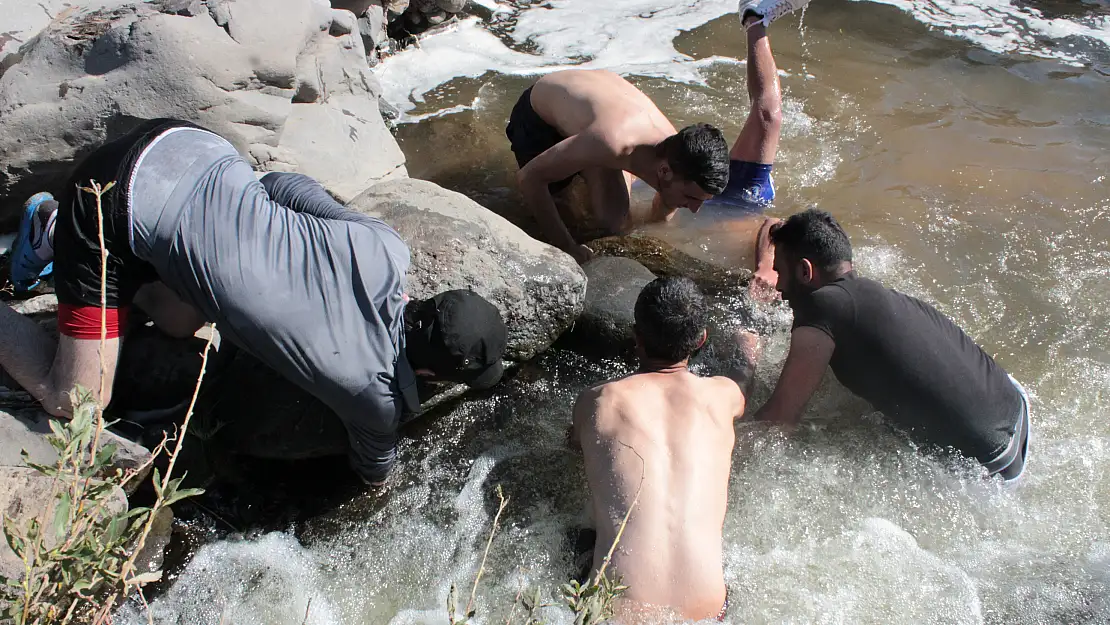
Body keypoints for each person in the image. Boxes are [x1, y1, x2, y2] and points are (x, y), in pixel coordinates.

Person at [3, 118, 508, 486]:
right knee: (78, 402)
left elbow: (283, 185)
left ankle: (50, 231)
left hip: (190, 144)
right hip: (108, 205)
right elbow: (375, 468)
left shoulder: (387, 249)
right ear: (432, 377)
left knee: (182, 322)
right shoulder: (375, 398)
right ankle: (61, 231)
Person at [750, 209, 1032, 482]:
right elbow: (771, 223)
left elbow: (778, 420)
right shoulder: (867, 295)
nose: (779, 289)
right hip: (1015, 410)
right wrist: (767, 265)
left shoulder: (821, 305)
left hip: (985, 470)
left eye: (780, 274)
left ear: (804, 271)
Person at [570, 277, 760, 623]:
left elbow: (572, 447)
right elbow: (744, 373)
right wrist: (748, 336)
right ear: (701, 340)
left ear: (636, 336)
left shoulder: (598, 401)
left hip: (613, 612)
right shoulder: (722, 397)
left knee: (580, 531)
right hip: (710, 611)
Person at [505, 70, 731, 263]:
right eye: (691, 198)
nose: (694, 209)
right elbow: (528, 178)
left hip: (597, 112)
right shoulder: (614, 142)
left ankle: (588, 159)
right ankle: (583, 160)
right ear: (664, 171)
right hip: (539, 117)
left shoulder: (679, 153)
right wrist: (567, 247)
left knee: (612, 221)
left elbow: (666, 202)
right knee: (567, 214)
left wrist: (659, 227)